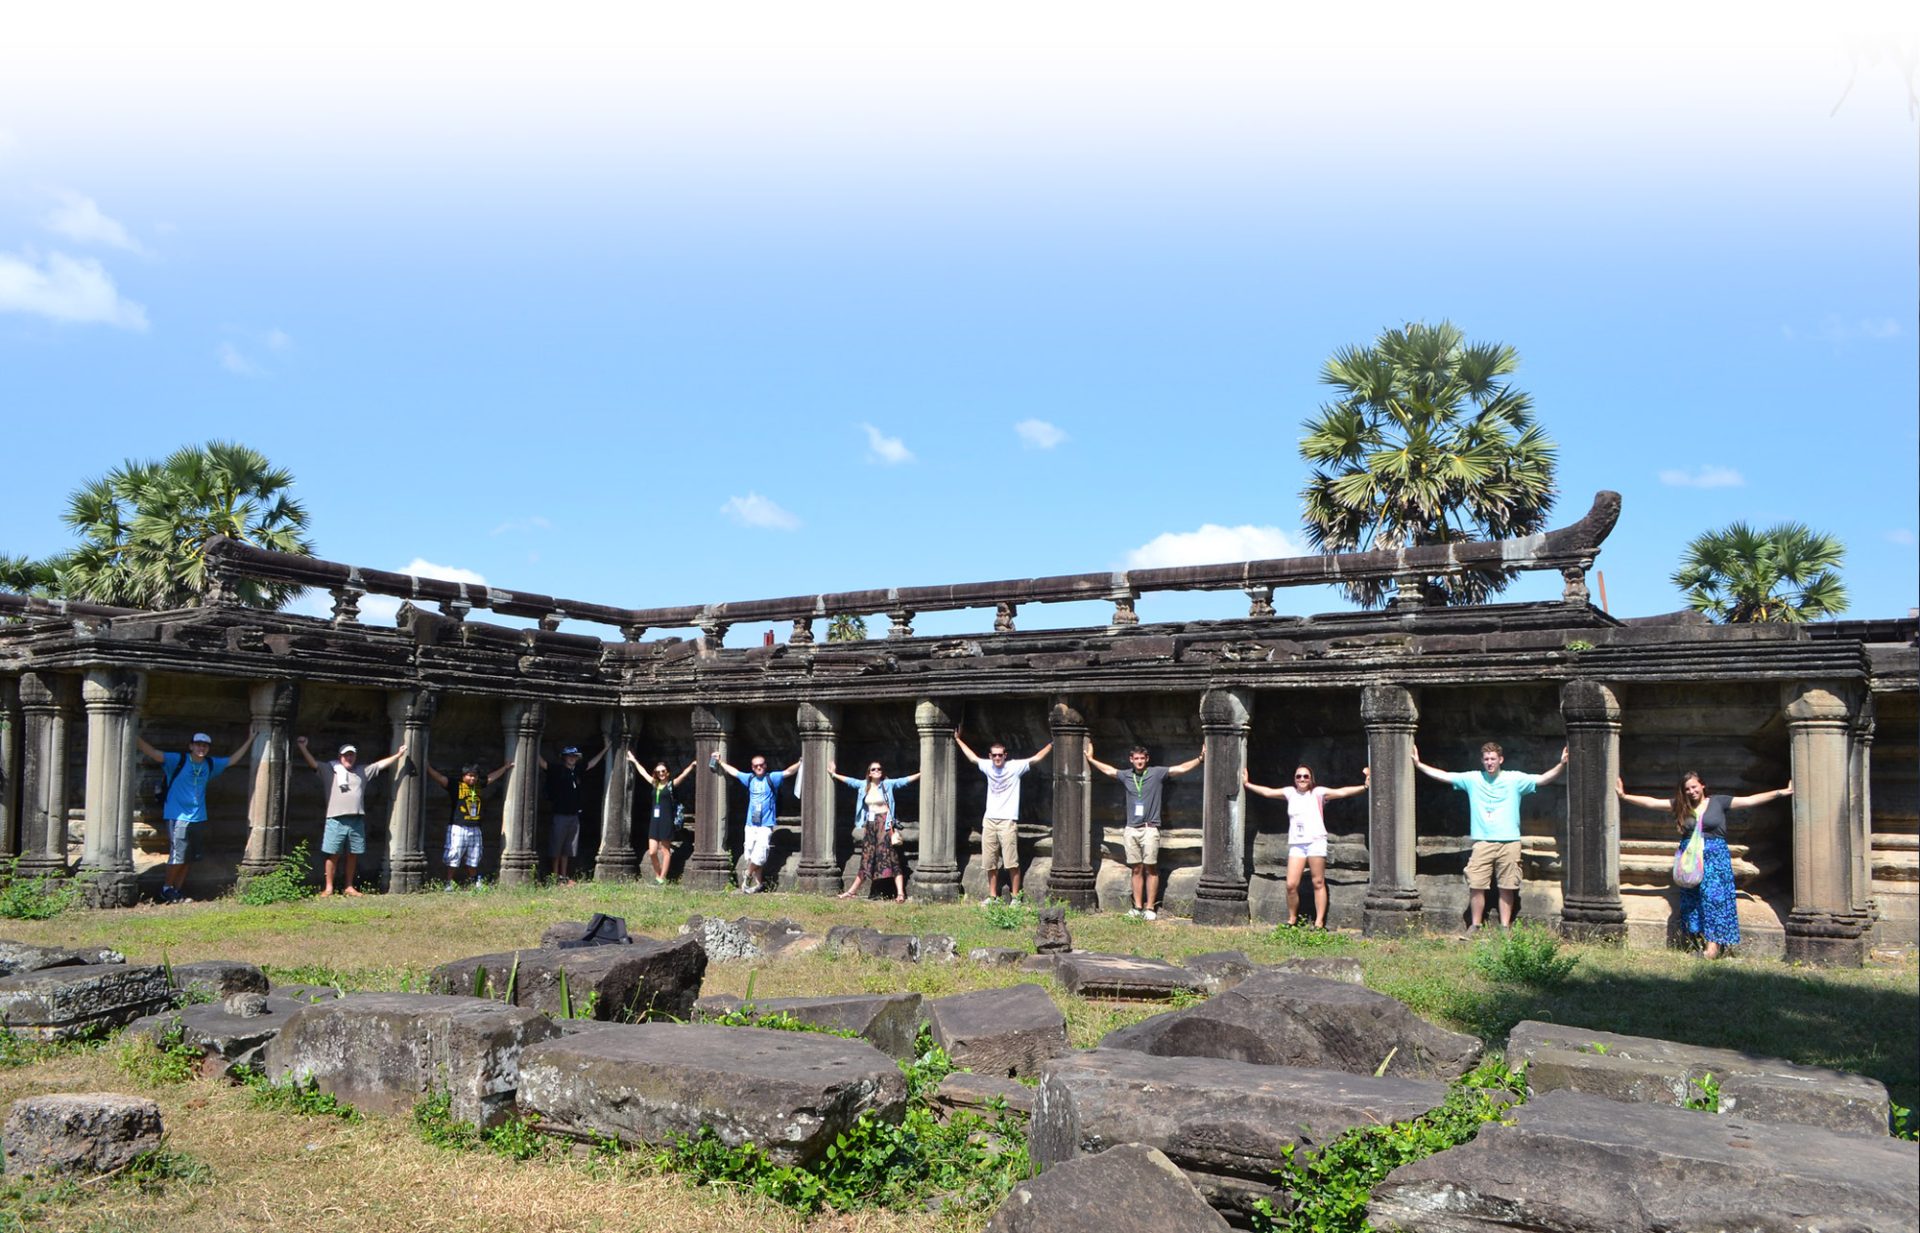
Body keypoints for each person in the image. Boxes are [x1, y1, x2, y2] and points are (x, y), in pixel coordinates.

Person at [1618, 771, 1791, 959]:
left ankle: (1712, 949)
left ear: (1702, 786)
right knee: (1692, 899)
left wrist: (1782, 792)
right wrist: (1624, 796)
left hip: (1715, 856)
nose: (1691, 792)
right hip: (1690, 858)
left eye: (1694, 787)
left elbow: (1750, 800)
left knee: (1714, 898)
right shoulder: (1681, 806)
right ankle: (1698, 940)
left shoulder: (1719, 802)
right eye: (1687, 789)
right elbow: (1652, 802)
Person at [1412, 741, 1567, 931]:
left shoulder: (1514, 779)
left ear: (1500, 760)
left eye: (1493, 759)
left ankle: (1504, 927)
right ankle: (1475, 925)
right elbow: (1445, 776)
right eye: (1486, 759)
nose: (1489, 762)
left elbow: (1542, 779)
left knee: (1507, 886)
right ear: (1482, 761)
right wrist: (1419, 765)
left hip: (1509, 842)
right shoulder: (1473, 779)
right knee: (1476, 885)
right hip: (1483, 842)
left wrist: (1562, 764)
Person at [1086, 741, 1203, 920]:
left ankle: (1150, 908)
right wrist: (1090, 759)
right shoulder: (1126, 776)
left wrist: (1200, 759)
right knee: (1136, 868)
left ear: (1147, 759)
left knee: (1151, 868)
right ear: (1131, 760)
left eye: (1142, 758)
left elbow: (1179, 769)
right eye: (1136, 759)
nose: (1139, 761)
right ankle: (1137, 906)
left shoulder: (1156, 773)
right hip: (1131, 829)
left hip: (1150, 829)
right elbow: (1109, 770)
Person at [1243, 763, 1369, 928]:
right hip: (1297, 843)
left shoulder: (1318, 793)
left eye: (1305, 776)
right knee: (1291, 884)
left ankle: (1319, 922)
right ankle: (1292, 919)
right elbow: (1268, 792)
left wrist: (1365, 787)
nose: (1302, 779)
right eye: (1299, 776)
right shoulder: (1290, 793)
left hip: (1316, 841)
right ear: (1294, 779)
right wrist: (1247, 784)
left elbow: (1342, 792)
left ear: (1311, 779)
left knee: (1318, 882)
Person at [136, 729, 253, 903]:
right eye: (198, 744)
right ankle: (166, 889)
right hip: (178, 816)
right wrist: (133, 735)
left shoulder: (210, 764)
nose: (201, 748)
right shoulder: (178, 760)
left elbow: (233, 760)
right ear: (191, 746)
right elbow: (153, 753)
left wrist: (251, 739)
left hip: (198, 817)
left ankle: (176, 890)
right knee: (177, 855)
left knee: (189, 856)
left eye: (205, 745)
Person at [295, 736, 408, 897]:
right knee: (333, 853)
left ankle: (349, 886)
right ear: (340, 757)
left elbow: (380, 765)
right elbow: (313, 763)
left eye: (351, 755)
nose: (349, 758)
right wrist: (302, 747)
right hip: (336, 818)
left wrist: (398, 756)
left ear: (355, 757)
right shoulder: (330, 770)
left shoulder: (362, 771)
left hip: (356, 818)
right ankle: (329, 887)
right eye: (346, 755)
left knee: (353, 853)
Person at [954, 727, 1052, 905]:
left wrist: (1053, 743)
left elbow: (1036, 758)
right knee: (990, 862)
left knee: (1011, 862)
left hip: (1008, 820)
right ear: (990, 756)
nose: (997, 758)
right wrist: (958, 740)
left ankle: (1015, 897)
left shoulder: (1015, 767)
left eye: (1000, 755)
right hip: (989, 820)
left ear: (1005, 755)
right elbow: (972, 758)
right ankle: (993, 897)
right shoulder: (987, 766)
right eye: (994, 755)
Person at [831, 758, 921, 903]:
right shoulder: (864, 786)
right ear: (869, 773)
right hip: (870, 825)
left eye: (879, 769)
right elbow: (850, 781)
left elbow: (904, 781)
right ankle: (852, 891)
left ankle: (900, 893)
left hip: (884, 824)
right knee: (867, 858)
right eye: (873, 769)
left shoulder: (887, 784)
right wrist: (834, 774)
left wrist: (922, 773)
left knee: (891, 856)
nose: (877, 771)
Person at [711, 751, 799, 893]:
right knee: (751, 855)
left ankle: (747, 874)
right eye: (756, 766)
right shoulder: (750, 778)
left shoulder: (772, 778)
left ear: (765, 766)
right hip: (751, 825)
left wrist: (801, 762)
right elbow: (735, 772)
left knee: (760, 854)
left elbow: (788, 772)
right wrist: (720, 763)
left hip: (765, 824)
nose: (759, 767)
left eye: (761, 765)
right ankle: (758, 884)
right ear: (752, 767)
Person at [422, 760, 512, 887]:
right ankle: (448, 882)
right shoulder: (456, 785)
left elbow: (491, 777)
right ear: (463, 776)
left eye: (474, 776)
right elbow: (441, 779)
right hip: (458, 826)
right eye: (470, 775)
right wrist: (428, 767)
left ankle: (475, 881)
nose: (472, 778)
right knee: (454, 854)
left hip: (475, 827)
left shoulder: (478, 785)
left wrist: (505, 768)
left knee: (474, 856)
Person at [537, 739, 609, 883]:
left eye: (574, 756)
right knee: (556, 847)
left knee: (568, 849)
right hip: (560, 815)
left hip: (574, 815)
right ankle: (555, 876)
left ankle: (564, 876)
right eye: (570, 756)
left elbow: (592, 764)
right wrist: (532, 746)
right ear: (564, 757)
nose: (572, 758)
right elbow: (543, 764)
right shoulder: (557, 769)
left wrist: (606, 749)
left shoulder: (577, 770)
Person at [628, 750, 695, 884]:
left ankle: (661, 878)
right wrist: (634, 761)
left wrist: (692, 765)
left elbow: (683, 775)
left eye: (663, 771)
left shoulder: (670, 785)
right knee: (652, 851)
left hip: (666, 821)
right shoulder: (655, 783)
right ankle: (658, 874)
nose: (661, 774)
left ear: (667, 772)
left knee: (665, 850)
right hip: (655, 821)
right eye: (658, 772)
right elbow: (642, 772)